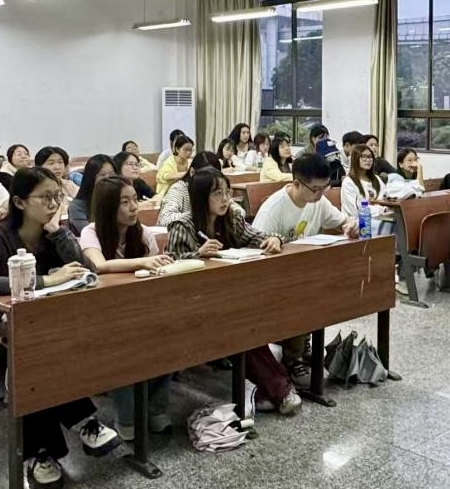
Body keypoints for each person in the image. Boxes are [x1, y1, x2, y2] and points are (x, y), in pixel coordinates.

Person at [0, 167, 120, 488]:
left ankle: (43, 453)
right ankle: (76, 427)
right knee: (33, 362)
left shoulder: (54, 234)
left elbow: (89, 272)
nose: (54, 204)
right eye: (45, 198)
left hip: (44, 332)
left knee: (45, 353)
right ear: (20, 202)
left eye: (57, 196)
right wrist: (46, 280)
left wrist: (60, 234)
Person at [164, 168, 300, 415]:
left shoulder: (231, 218)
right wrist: (198, 254)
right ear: (201, 196)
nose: (226, 199)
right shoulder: (182, 225)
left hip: (227, 300)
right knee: (241, 327)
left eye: (227, 192)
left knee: (245, 324)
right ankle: (280, 388)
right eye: (218, 194)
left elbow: (258, 236)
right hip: (191, 305)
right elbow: (170, 269)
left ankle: (272, 389)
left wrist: (275, 240)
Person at [79, 176, 174, 439]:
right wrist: (141, 263)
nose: (134, 207)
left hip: (142, 307)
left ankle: (155, 408)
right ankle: (127, 416)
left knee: (170, 334)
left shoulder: (143, 233)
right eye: (124, 202)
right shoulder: (91, 232)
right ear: (108, 206)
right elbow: (99, 265)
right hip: (102, 313)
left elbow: (157, 273)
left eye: (135, 199)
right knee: (123, 345)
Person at [252, 155, 357, 390]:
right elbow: (256, 252)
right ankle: (293, 359)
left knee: (326, 286)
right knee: (302, 295)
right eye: (315, 189)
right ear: (297, 184)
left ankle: (303, 343)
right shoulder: (274, 209)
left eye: (325, 188)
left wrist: (350, 224)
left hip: (304, 274)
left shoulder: (318, 201)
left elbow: (343, 221)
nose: (320, 194)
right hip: (274, 278)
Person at [157, 151, 244, 227]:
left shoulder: (218, 190)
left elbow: (239, 212)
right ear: (192, 172)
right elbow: (165, 219)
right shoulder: (179, 189)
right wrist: (201, 214)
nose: (211, 183)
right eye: (206, 179)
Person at [67, 155, 116, 235]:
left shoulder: (119, 199)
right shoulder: (76, 206)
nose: (108, 179)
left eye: (112, 174)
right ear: (91, 177)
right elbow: (89, 234)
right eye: (102, 175)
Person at [340, 144, 388, 222]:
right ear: (356, 159)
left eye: (370, 157)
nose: (368, 160)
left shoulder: (376, 178)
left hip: (380, 218)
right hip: (358, 222)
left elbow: (384, 200)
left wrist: (382, 209)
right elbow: (355, 211)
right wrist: (381, 210)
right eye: (364, 156)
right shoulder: (348, 182)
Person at [36, 147, 80, 216]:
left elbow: (83, 201)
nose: (57, 167)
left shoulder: (68, 185)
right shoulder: (35, 189)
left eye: (60, 162)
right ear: (39, 167)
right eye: (51, 163)